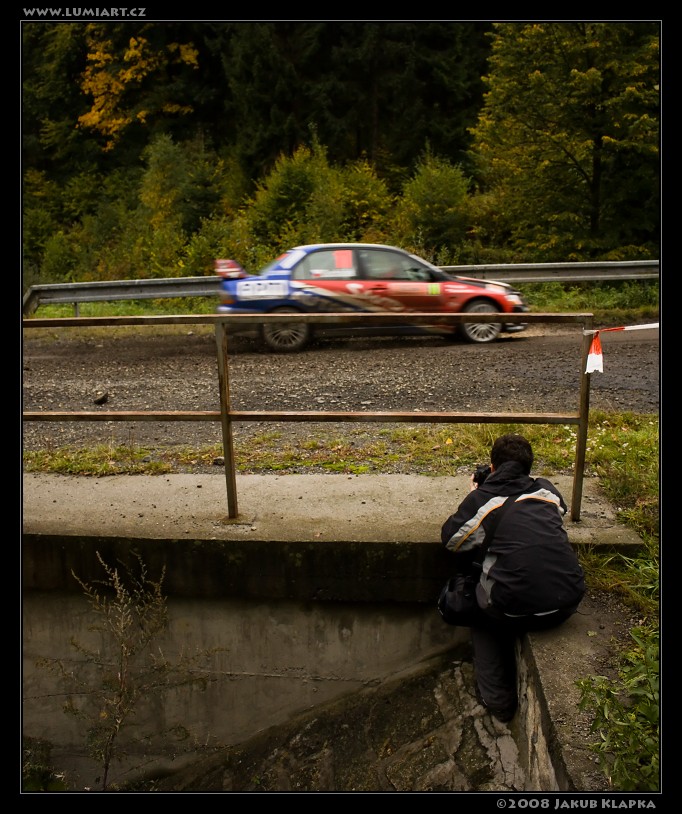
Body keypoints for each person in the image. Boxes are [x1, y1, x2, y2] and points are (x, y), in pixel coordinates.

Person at [439, 433, 586, 723]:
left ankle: (498, 702)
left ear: (493, 467)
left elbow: (451, 539)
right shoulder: (546, 490)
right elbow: (560, 509)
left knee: (479, 610)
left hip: (513, 608)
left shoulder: (483, 499)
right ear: (528, 467)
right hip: (567, 602)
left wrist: (476, 492)